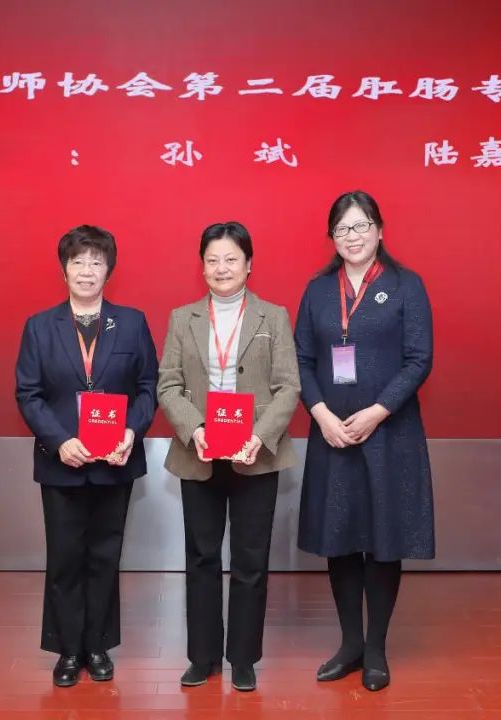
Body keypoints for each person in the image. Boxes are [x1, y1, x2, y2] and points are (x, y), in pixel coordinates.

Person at [293, 191, 435, 691]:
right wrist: (321, 414)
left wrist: (378, 411)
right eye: (342, 229)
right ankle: (350, 644)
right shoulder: (317, 291)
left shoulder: (405, 285)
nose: (352, 237)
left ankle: (376, 648)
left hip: (388, 432)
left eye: (361, 226)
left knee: (383, 538)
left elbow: (419, 359)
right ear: (331, 236)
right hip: (333, 431)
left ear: (379, 230)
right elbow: (301, 360)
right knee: (340, 535)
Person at [157, 221, 300, 692]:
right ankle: (202, 657)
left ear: (248, 264)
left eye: (231, 259)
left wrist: (260, 435)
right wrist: (195, 429)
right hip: (198, 453)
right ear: (202, 266)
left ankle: (242, 657)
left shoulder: (273, 317)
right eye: (212, 260)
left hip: (254, 454)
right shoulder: (182, 318)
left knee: (249, 560)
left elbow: (288, 386)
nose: (222, 268)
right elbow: (168, 385)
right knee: (200, 557)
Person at [15, 225, 158, 687]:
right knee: (64, 558)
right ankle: (67, 650)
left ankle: (97, 646)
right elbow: (29, 394)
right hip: (62, 462)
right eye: (78, 262)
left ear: (109, 270)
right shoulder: (40, 327)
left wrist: (132, 431)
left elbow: (148, 388)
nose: (87, 270)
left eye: (96, 262)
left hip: (115, 461)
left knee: (104, 556)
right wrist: (60, 440)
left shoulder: (131, 323)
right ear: (64, 269)